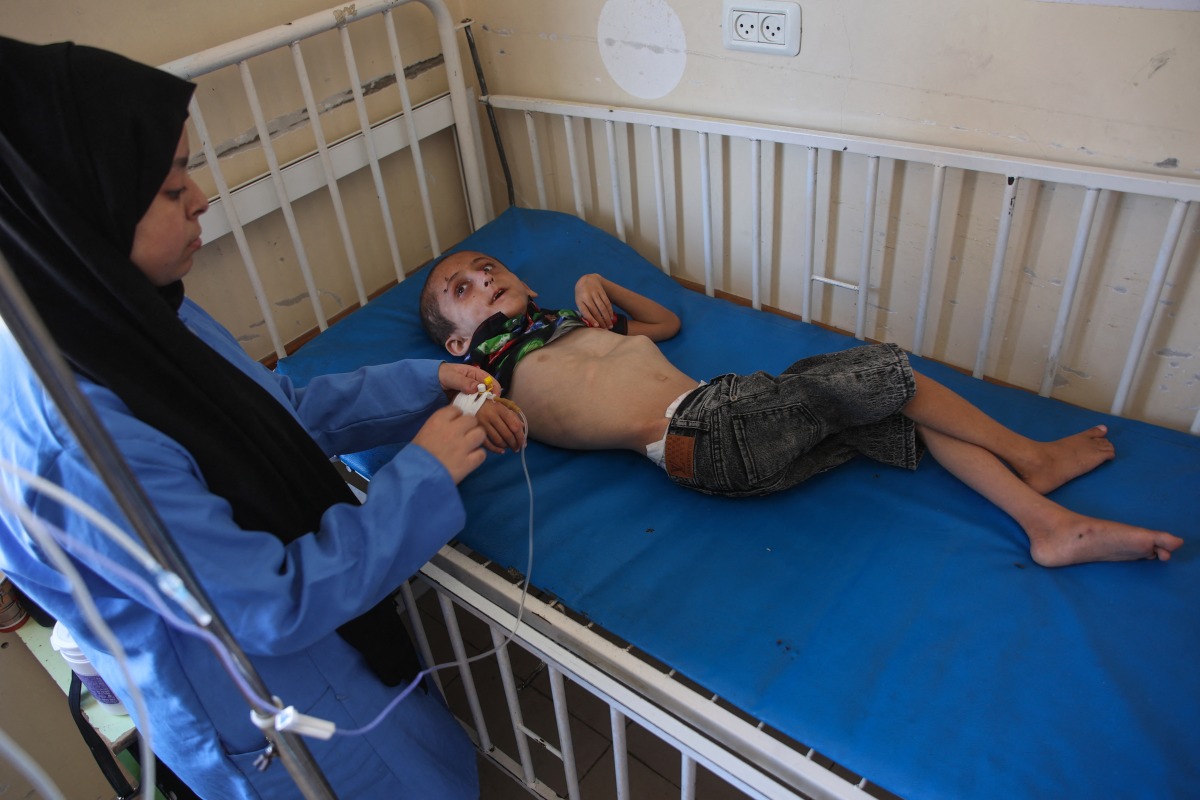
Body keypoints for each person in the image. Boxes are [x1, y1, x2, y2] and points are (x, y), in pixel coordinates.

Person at [0, 38, 492, 798]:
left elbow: (278, 411)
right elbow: (267, 607)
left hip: (317, 663)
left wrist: (424, 381)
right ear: (78, 206)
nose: (201, 200)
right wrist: (421, 474)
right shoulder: (81, 439)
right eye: (169, 189)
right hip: (277, 713)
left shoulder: (131, 311)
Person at [420, 249, 1185, 568]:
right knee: (871, 372)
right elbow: (478, 425)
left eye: (489, 267)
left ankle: (1046, 525)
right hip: (700, 432)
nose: (483, 277)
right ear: (458, 344)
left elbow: (666, 326)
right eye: (461, 288)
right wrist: (479, 402)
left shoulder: (572, 330)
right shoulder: (495, 376)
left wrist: (603, 284)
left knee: (892, 409)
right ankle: (1032, 454)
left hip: (736, 441)